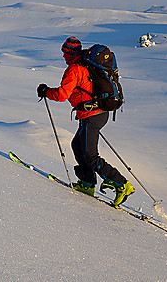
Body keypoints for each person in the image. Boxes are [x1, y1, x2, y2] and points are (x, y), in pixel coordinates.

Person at [37, 36, 135, 207]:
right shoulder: (84, 63)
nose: (63, 56)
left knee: (90, 156)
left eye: (64, 52)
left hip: (93, 115)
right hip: (94, 113)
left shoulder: (74, 69)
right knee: (77, 145)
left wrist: (46, 91)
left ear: (69, 52)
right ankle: (87, 184)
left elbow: (61, 95)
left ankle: (122, 184)